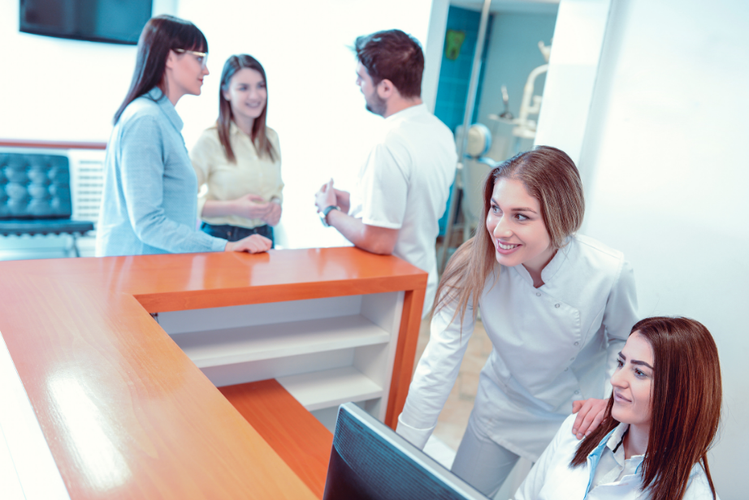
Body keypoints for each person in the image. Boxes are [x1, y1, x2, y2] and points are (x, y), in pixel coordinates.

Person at [396, 146, 639, 496]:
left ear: (560, 217)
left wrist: (608, 402)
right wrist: (403, 451)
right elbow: (439, 360)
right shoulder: (472, 262)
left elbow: (623, 341)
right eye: (496, 209)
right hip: (501, 406)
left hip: (574, 417)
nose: (500, 229)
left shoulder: (607, 271)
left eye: (520, 216)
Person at [96, 15, 271, 257]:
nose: (206, 70)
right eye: (199, 59)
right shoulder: (146, 120)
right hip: (139, 270)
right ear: (170, 58)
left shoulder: (159, 120)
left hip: (157, 267)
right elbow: (148, 224)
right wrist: (224, 246)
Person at [313, 29, 457, 317]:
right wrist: (355, 201)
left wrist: (329, 211)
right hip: (421, 279)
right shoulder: (440, 132)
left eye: (362, 78)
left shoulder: (389, 144)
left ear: (386, 88)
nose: (357, 84)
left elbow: (379, 240)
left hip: (390, 291)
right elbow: (413, 206)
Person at [514, 316, 722, 500]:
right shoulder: (579, 427)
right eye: (621, 363)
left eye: (639, 372)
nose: (615, 379)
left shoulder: (695, 493)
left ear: (678, 392)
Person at [191, 55, 283, 247]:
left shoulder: (271, 138)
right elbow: (186, 201)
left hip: (265, 236)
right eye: (243, 88)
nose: (254, 96)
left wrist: (276, 205)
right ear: (226, 91)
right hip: (222, 238)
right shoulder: (210, 140)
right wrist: (234, 208)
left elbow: (276, 190)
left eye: (260, 86)